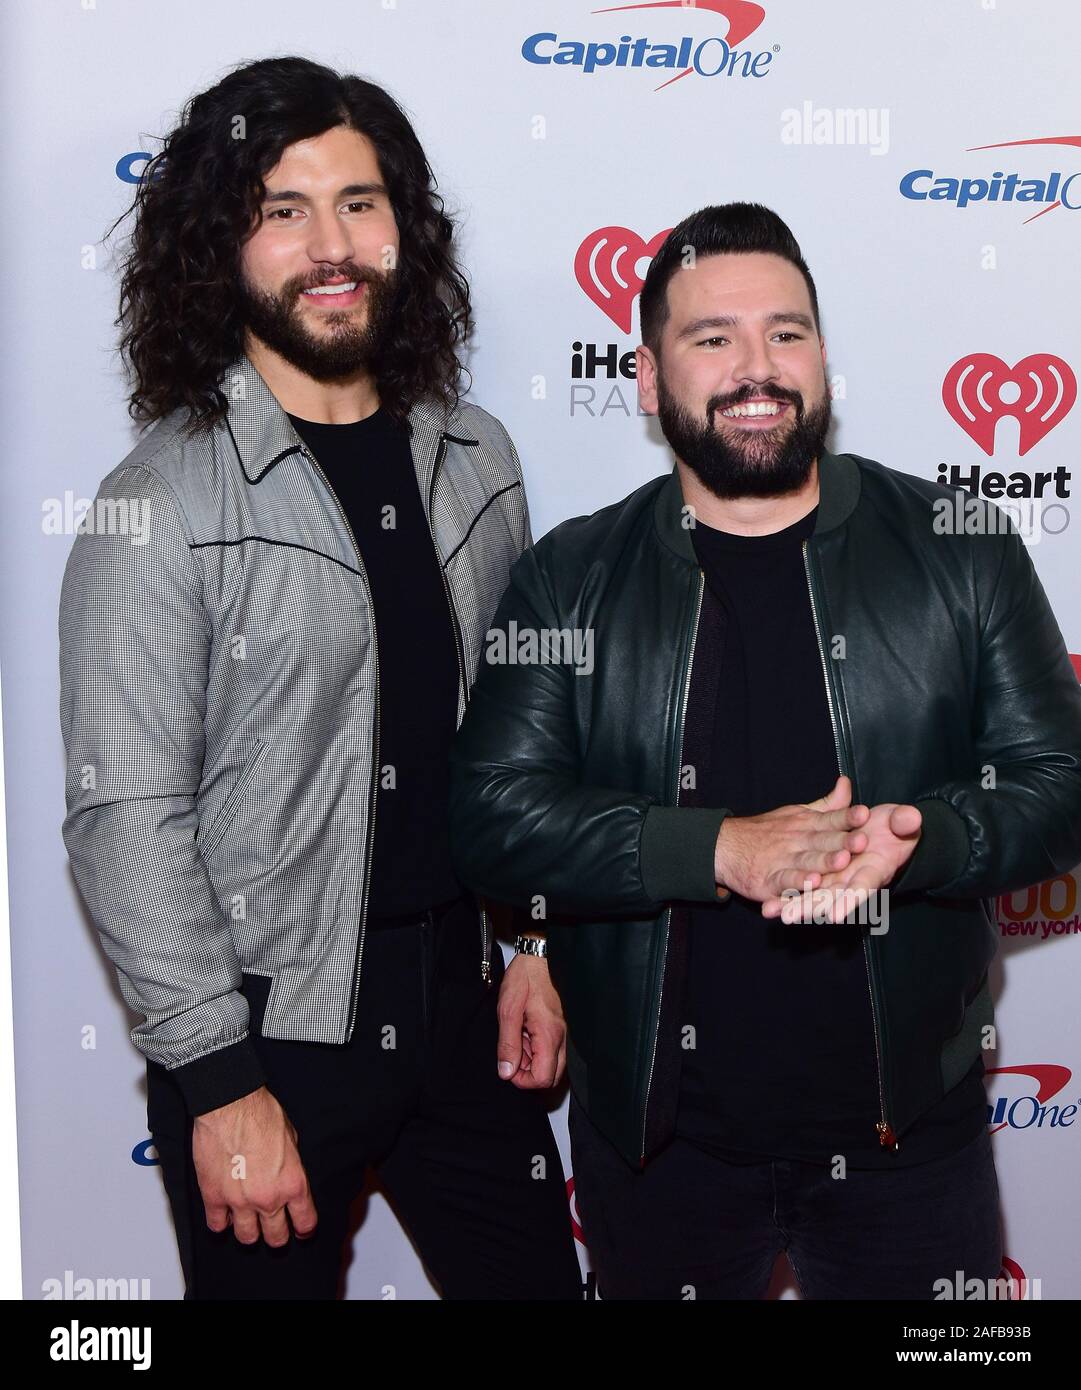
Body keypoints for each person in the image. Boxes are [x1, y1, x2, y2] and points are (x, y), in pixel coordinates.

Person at [448, 202, 1081, 1299]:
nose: (757, 369)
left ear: (823, 356)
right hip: (660, 1146)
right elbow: (493, 815)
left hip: (909, 1144)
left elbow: (1061, 784)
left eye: (786, 333)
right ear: (647, 379)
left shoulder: (959, 547)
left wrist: (923, 839)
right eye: (713, 339)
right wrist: (718, 851)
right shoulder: (571, 577)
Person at [58, 55, 580, 1301]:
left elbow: (525, 739)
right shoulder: (159, 504)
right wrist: (219, 1082)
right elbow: (125, 816)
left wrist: (535, 939)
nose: (329, 244)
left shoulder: (477, 456)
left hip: (466, 1011)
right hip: (270, 1036)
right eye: (281, 210)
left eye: (359, 202)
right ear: (218, 245)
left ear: (404, 228)